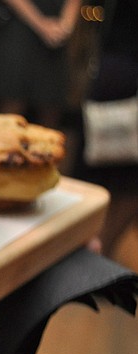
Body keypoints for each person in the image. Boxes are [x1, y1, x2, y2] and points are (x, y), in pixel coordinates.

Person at [72, 0, 138, 257]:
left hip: (114, 70)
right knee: (113, 175)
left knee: (118, 178)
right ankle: (94, 252)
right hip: (121, 75)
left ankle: (95, 252)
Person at [0, 0, 81, 128]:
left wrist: (65, 26)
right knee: (12, 105)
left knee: (51, 104)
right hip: (19, 28)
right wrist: (42, 25)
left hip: (56, 30)